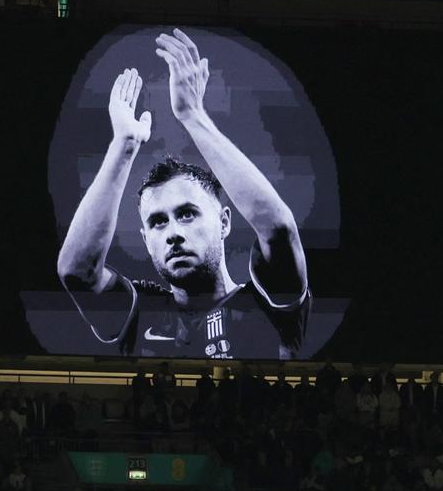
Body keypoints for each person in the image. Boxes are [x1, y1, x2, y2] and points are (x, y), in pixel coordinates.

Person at [56, 28, 310, 361]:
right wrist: (125, 145)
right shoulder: (141, 311)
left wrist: (193, 115)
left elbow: (277, 228)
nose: (174, 233)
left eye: (187, 213)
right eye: (159, 222)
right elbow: (76, 271)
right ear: (146, 239)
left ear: (223, 222)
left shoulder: (268, 302)